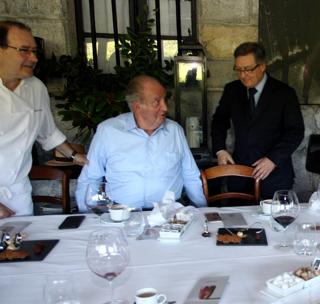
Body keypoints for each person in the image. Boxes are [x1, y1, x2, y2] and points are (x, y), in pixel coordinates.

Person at [76, 75, 206, 211]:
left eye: (165, 100)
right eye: (157, 102)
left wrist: (204, 211)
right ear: (137, 106)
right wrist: (85, 217)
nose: (165, 107)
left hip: (169, 215)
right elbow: (90, 178)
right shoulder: (108, 131)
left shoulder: (174, 131)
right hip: (121, 215)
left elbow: (190, 176)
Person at [0, 20, 87, 218]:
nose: (34, 58)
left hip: (17, 192)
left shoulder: (35, 87)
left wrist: (76, 157)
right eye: (24, 50)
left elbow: (47, 132)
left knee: (23, 246)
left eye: (34, 51)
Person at [211, 42, 304, 200]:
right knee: (238, 223)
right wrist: (220, 149)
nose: (242, 75)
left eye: (247, 69)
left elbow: (295, 131)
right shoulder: (232, 90)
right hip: (239, 176)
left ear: (262, 66)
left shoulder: (285, 93)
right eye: (238, 69)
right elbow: (219, 120)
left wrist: (273, 159)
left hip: (275, 177)